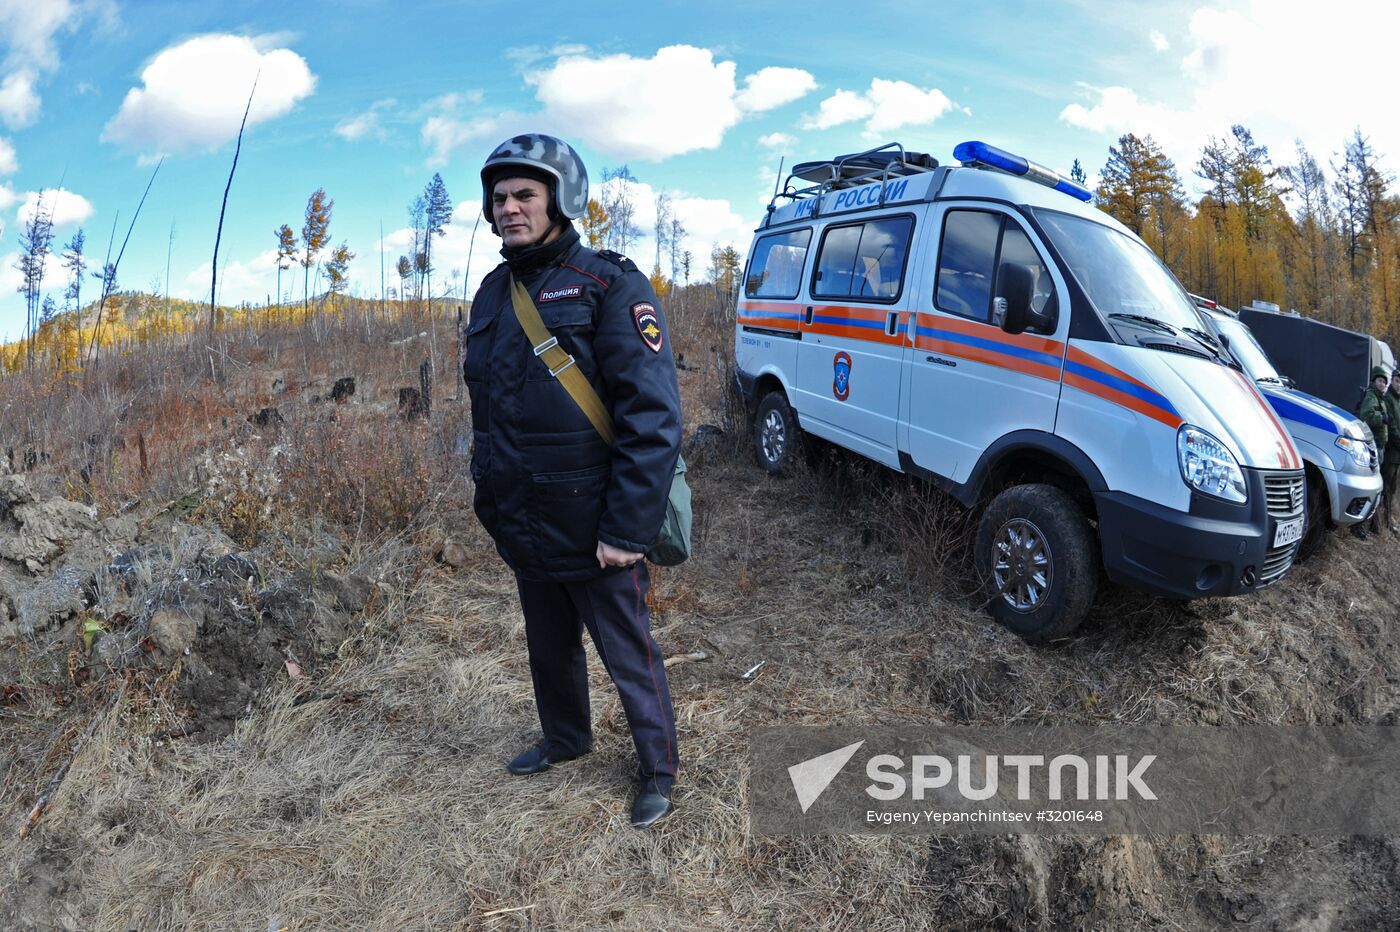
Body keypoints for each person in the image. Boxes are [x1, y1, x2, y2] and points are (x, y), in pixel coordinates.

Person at [463, 134, 682, 828]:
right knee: (547, 644)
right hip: (525, 513)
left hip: (596, 524)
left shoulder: (609, 284)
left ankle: (658, 770)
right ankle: (565, 739)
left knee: (628, 650)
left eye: (525, 194)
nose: (509, 208)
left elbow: (652, 418)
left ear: (560, 198)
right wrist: (490, 493)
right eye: (499, 198)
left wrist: (626, 530)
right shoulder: (494, 293)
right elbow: (489, 409)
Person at [1357, 365, 1390, 538]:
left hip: (1380, 447)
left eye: (1384, 381)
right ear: (1374, 381)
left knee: (1377, 488)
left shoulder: (1381, 398)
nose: (1382, 384)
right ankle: (1359, 526)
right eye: (1380, 380)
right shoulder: (1371, 396)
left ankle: (1368, 525)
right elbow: (1366, 416)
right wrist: (1382, 418)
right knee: (1371, 488)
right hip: (1373, 448)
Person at [1384, 370, 1400, 532]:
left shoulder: (1398, 400)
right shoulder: (1388, 398)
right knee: (1386, 486)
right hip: (1390, 451)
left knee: (1392, 487)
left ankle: (1387, 519)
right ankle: (1384, 522)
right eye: (1397, 381)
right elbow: (1392, 427)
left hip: (1397, 454)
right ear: (1392, 381)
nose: (1399, 385)